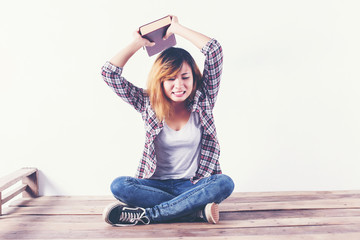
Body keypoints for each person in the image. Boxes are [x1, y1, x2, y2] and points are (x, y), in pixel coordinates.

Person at [101, 15, 234, 226]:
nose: (179, 85)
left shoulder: (204, 98)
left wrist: (177, 28)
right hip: (154, 186)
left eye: (184, 77)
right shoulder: (147, 102)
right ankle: (195, 212)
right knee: (119, 186)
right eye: (170, 79)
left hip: (193, 184)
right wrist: (137, 43)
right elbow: (109, 74)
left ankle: (149, 216)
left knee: (224, 183)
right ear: (160, 81)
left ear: (194, 78)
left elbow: (214, 50)